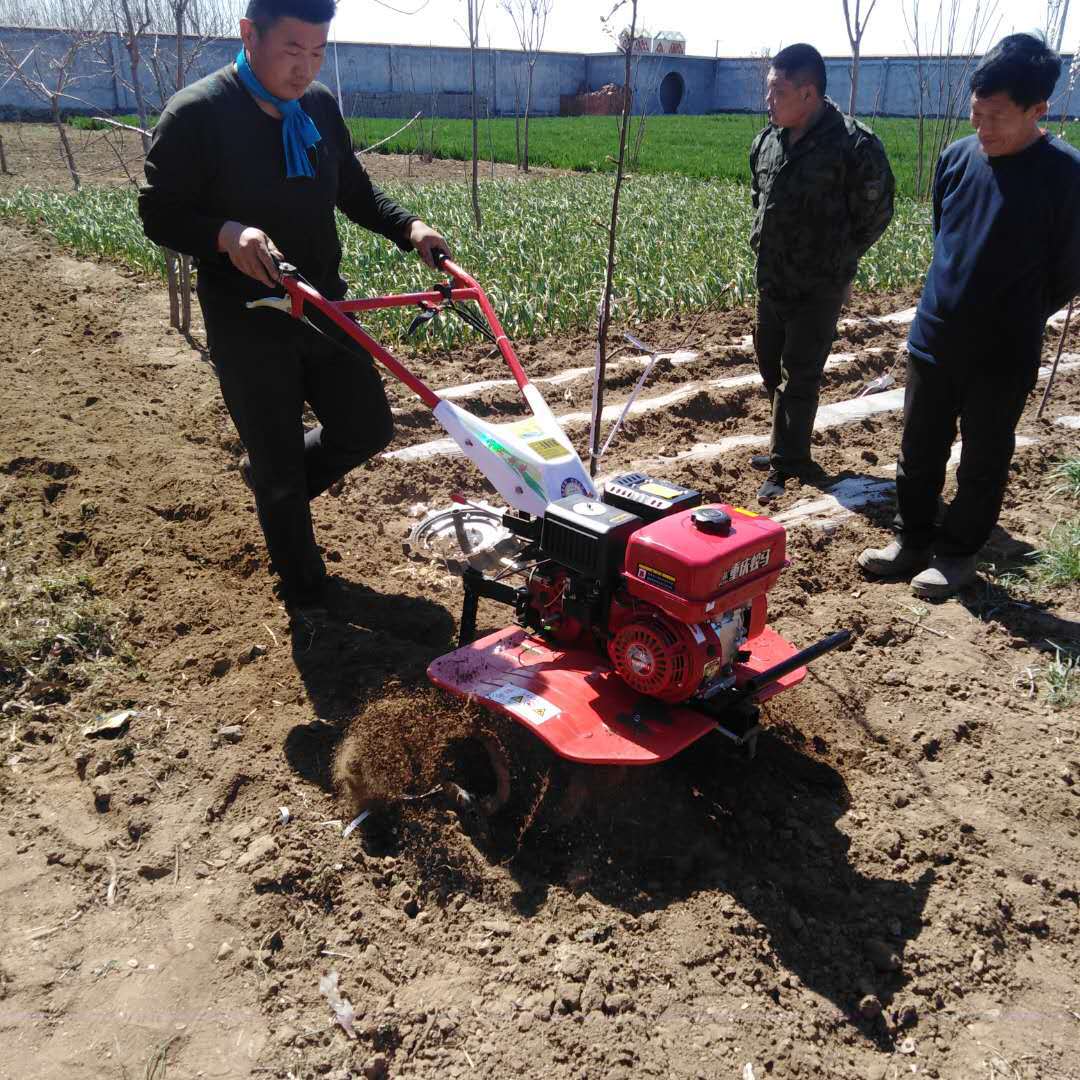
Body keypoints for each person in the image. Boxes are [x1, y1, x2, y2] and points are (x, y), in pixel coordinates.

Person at [138, 0, 449, 617]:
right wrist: (227, 234)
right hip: (246, 314)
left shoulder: (317, 109)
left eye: (318, 52)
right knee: (279, 464)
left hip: (320, 302)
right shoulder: (198, 114)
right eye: (292, 51)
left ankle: (277, 487)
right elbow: (158, 212)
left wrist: (410, 228)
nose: (305, 69)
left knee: (366, 427)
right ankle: (307, 594)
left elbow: (352, 188)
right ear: (250, 34)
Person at [859, 33, 1080, 600]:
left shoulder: (1066, 176)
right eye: (976, 114)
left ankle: (957, 556)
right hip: (934, 338)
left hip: (1003, 352)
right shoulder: (958, 156)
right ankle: (912, 541)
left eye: (996, 118)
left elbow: (1068, 269)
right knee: (918, 451)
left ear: (1039, 110)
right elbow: (945, 234)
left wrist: (1015, 313)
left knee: (983, 459)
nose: (982, 129)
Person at [748, 43, 895, 503]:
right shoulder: (768, 141)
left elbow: (877, 212)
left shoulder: (855, 145)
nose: (769, 100)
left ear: (808, 94)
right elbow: (760, 196)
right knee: (770, 362)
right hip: (773, 279)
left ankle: (788, 461)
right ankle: (784, 441)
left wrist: (839, 259)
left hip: (820, 285)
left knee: (800, 373)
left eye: (779, 91)